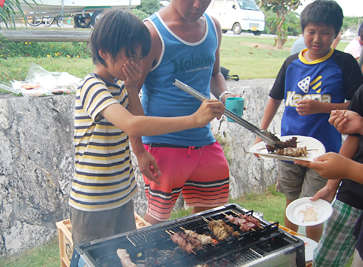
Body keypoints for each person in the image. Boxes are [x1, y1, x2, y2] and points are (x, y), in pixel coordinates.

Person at [68, 9, 225, 248]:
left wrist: (132, 89)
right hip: (94, 202)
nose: (138, 64)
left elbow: (136, 126)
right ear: (104, 52)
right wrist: (193, 120)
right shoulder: (92, 86)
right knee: (95, 261)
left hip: (122, 195)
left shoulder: (120, 87)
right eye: (131, 56)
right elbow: (132, 123)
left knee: (125, 257)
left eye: (139, 57)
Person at [253, 0, 363, 243]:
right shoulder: (292, 62)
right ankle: (289, 245)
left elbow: (356, 106)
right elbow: (274, 98)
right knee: (292, 200)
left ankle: (311, 252)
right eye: (311, 31)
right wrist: (262, 132)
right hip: (288, 147)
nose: (317, 38)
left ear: (336, 34)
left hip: (323, 150)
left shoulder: (344, 63)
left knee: (314, 203)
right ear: (303, 31)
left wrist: (321, 107)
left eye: (325, 33)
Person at [135, 0, 236, 225]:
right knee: (157, 219)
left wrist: (225, 96)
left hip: (203, 139)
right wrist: (139, 150)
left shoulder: (214, 27)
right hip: (163, 143)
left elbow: (215, 74)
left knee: (213, 214)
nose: (198, 4)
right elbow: (131, 94)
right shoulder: (151, 33)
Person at [295, 85, 363, 267]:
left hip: (354, 174)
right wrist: (331, 185)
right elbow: (354, 138)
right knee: (324, 260)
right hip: (354, 191)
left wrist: (347, 169)